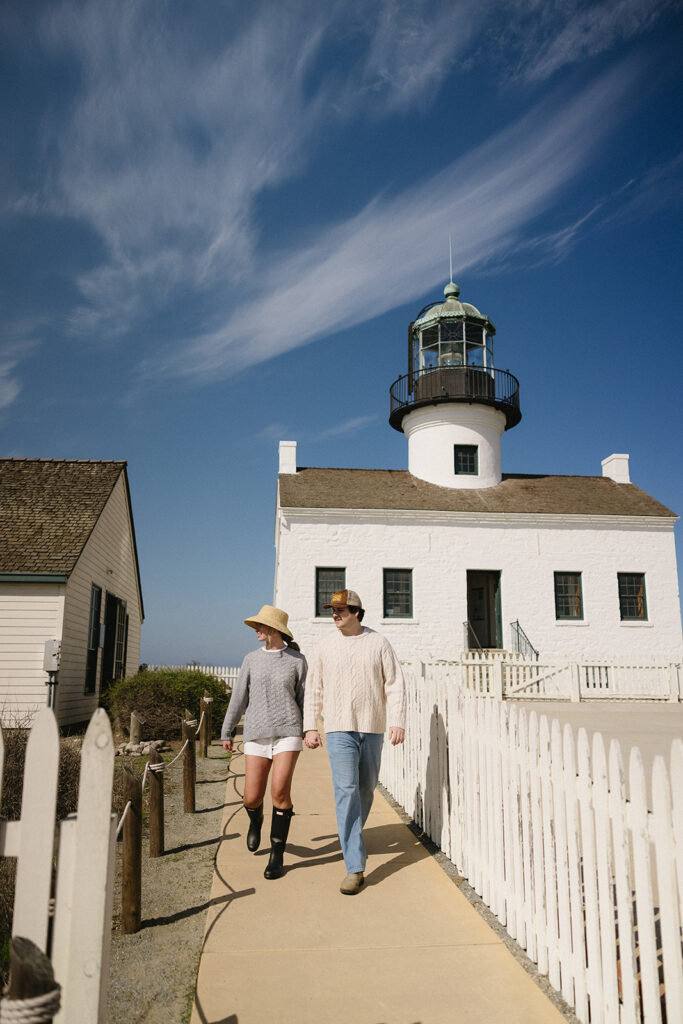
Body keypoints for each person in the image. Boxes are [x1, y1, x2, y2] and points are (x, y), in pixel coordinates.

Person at [303, 589, 405, 895]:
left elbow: (395, 684)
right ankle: (355, 866)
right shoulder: (324, 647)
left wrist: (397, 720)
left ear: (357, 613)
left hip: (372, 728)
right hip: (338, 730)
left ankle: (352, 837)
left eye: (342, 610)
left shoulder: (378, 643)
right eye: (332, 611)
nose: (335, 615)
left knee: (365, 789)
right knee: (346, 791)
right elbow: (314, 690)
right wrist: (310, 726)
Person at [221, 605, 306, 879]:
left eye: (260, 626)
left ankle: (276, 855)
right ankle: (255, 821)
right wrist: (227, 730)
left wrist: (310, 729)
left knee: (280, 792)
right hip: (256, 733)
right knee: (251, 797)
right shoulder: (250, 660)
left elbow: (305, 699)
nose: (256, 630)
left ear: (273, 630)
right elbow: (239, 698)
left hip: (288, 733)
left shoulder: (297, 660)